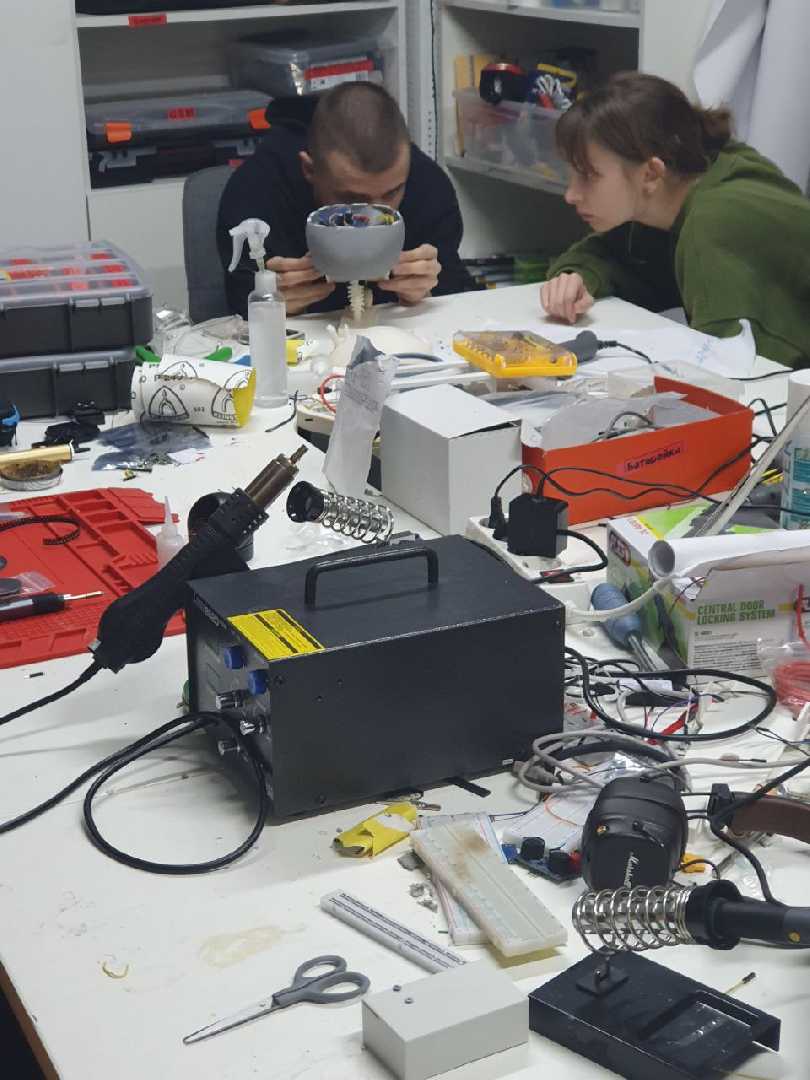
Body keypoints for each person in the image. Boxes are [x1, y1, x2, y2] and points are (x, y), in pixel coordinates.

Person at [541, 72, 810, 367]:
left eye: (588, 176)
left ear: (651, 173)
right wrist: (577, 278)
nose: (571, 195)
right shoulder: (694, 183)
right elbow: (612, 253)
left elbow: (738, 372)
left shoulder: (713, 225)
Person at [218, 82, 473, 317]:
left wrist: (426, 292)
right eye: (352, 199)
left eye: (391, 194)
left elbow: (455, 298)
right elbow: (238, 308)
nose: (374, 218)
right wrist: (269, 303)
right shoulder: (258, 190)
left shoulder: (426, 183)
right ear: (309, 170)